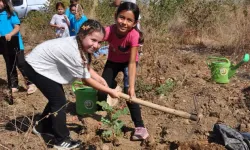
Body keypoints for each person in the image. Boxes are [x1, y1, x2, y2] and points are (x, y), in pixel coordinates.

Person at [24, 19, 119, 149]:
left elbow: (86, 66)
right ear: (82, 35)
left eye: (99, 42)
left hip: (40, 64)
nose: (96, 45)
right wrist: (110, 91)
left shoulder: (80, 45)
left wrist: (99, 78)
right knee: (59, 101)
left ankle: (42, 126)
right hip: (34, 67)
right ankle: (61, 140)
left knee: (56, 98)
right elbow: (86, 80)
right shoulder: (74, 51)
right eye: (93, 40)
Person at [97, 2, 149, 141]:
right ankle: (102, 115)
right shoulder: (109, 30)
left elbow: (132, 62)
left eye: (129, 20)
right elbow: (95, 40)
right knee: (101, 89)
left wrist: (131, 87)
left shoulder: (133, 36)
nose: (124, 22)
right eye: (121, 17)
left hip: (128, 63)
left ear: (135, 23)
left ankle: (140, 127)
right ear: (115, 16)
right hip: (113, 62)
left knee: (129, 93)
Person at [0, 0, 37, 94]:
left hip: (15, 43)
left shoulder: (10, 14)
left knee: (21, 63)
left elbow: (17, 27)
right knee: (10, 65)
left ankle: (31, 84)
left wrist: (10, 34)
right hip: (4, 45)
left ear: (5, 3)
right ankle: (14, 85)